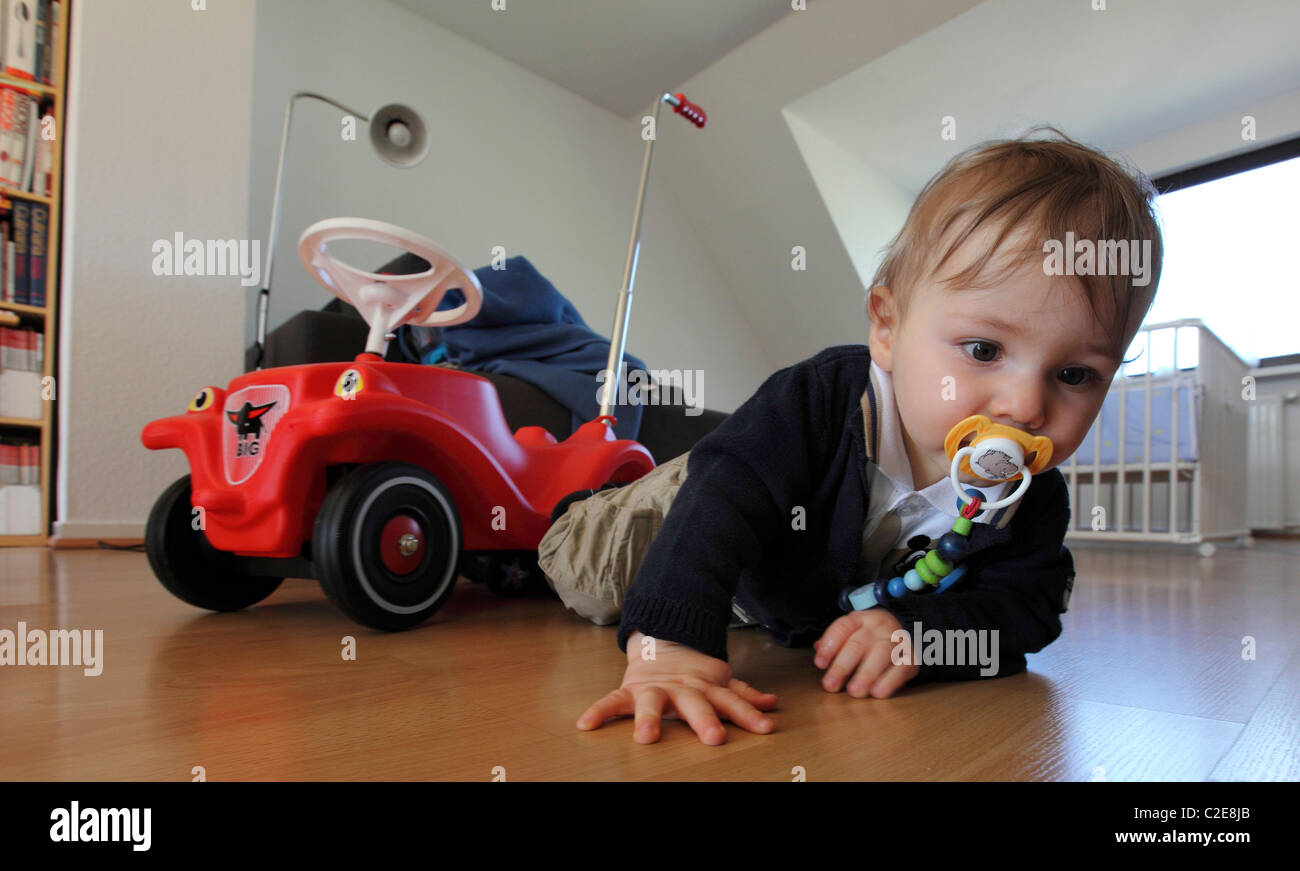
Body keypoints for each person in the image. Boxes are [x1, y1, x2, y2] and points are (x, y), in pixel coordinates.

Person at [567, 128, 1164, 744]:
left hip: (777, 601)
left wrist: (921, 636)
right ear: (887, 328)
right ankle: (570, 507)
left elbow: (1027, 608)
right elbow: (719, 503)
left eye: (1075, 375)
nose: (1027, 406)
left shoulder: (1029, 497)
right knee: (589, 570)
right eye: (984, 350)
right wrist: (668, 648)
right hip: (678, 511)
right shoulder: (819, 401)